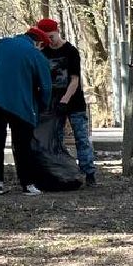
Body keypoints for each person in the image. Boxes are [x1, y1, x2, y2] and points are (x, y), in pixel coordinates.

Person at [0, 26, 53, 195]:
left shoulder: (1, 44)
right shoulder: (36, 54)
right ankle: (27, 184)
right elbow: (46, 86)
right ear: (40, 43)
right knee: (22, 145)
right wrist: (42, 106)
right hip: (20, 105)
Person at [36, 18, 98, 186]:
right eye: (46, 38)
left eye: (52, 37)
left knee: (81, 137)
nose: (50, 41)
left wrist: (65, 100)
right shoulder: (43, 53)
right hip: (53, 103)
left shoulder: (71, 51)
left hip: (73, 101)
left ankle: (89, 172)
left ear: (58, 32)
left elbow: (74, 80)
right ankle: (61, 171)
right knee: (56, 138)